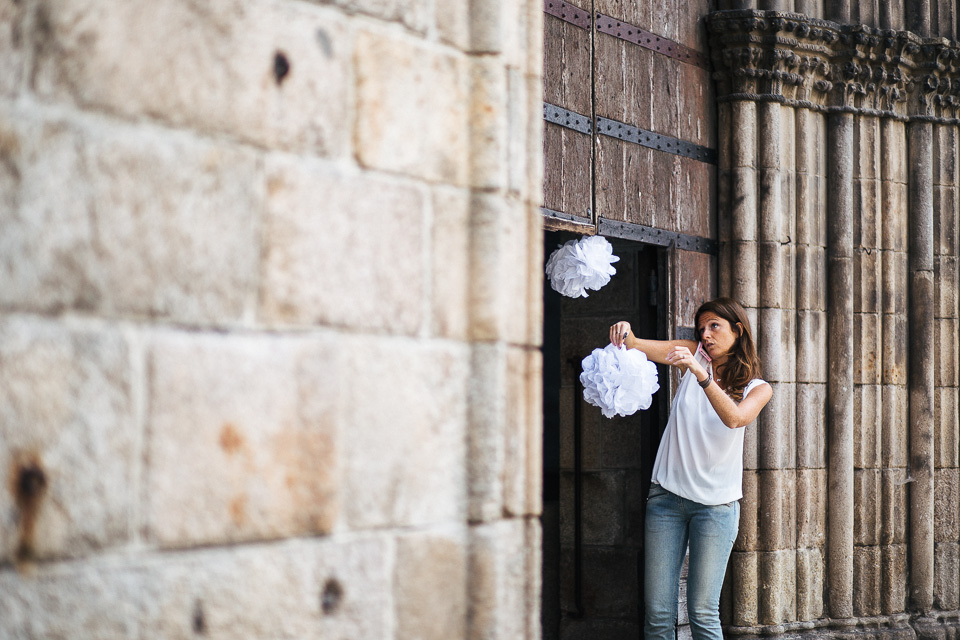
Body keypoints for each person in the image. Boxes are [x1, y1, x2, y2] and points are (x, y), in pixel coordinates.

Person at [609, 297, 772, 640]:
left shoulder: (758, 388)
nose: (706, 335)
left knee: (702, 613)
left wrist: (701, 375)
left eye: (715, 326)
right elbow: (640, 346)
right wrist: (628, 337)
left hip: (715, 509)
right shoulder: (691, 352)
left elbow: (736, 419)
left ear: (738, 330)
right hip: (666, 500)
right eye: (702, 328)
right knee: (657, 614)